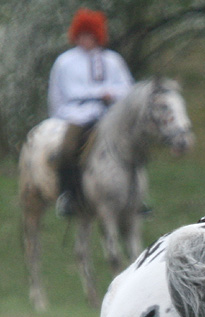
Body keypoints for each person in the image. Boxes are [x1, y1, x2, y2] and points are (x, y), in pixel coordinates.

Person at [48, 7, 134, 216]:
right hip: (77, 114)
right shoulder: (65, 62)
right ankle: (68, 196)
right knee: (68, 149)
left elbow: (127, 88)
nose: (85, 39)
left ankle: (135, 197)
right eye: (82, 35)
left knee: (131, 147)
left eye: (89, 35)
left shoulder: (112, 60)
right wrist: (99, 93)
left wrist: (110, 94)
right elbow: (65, 92)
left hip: (108, 116)